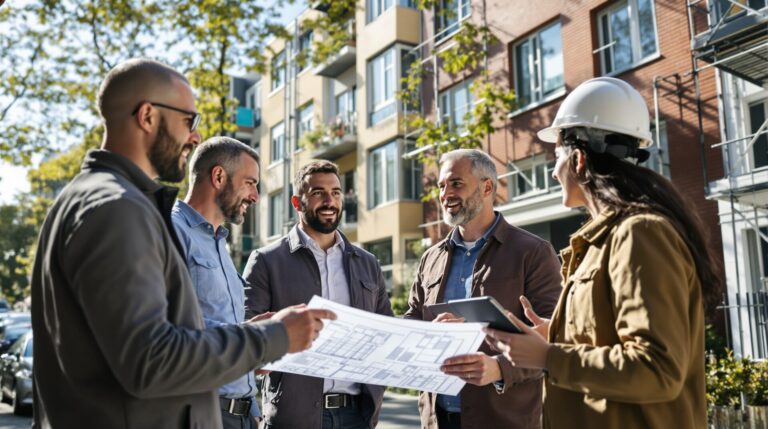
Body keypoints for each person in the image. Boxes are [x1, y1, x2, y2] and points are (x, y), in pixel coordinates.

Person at [30, 58, 335, 429]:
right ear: (147, 116)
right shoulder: (118, 208)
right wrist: (273, 336)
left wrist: (249, 339)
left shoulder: (88, 199)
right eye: (189, 121)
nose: (194, 137)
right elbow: (151, 361)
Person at [485, 77, 723, 429]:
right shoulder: (605, 239)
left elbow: (657, 368)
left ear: (579, 159)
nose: (553, 172)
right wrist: (556, 335)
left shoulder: (640, 234)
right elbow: (610, 339)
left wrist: (548, 356)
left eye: (556, 157)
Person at [403, 149, 562, 429]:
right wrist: (428, 335)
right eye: (441, 186)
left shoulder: (533, 253)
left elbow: (556, 337)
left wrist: (500, 368)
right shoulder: (431, 258)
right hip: (436, 419)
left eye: (456, 184)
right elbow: (412, 320)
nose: (445, 194)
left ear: (487, 186)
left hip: (503, 420)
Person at [243, 160, 393, 429]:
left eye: (335, 193)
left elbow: (387, 331)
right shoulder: (266, 261)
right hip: (293, 416)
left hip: (358, 416)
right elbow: (246, 340)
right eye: (317, 193)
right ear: (296, 202)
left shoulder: (368, 262)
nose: (329, 201)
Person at [171, 136, 269, 428]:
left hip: (241, 415)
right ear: (218, 176)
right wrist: (250, 338)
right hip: (199, 413)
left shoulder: (220, 244)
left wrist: (250, 406)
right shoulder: (171, 232)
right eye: (250, 183)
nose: (256, 196)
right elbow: (166, 329)